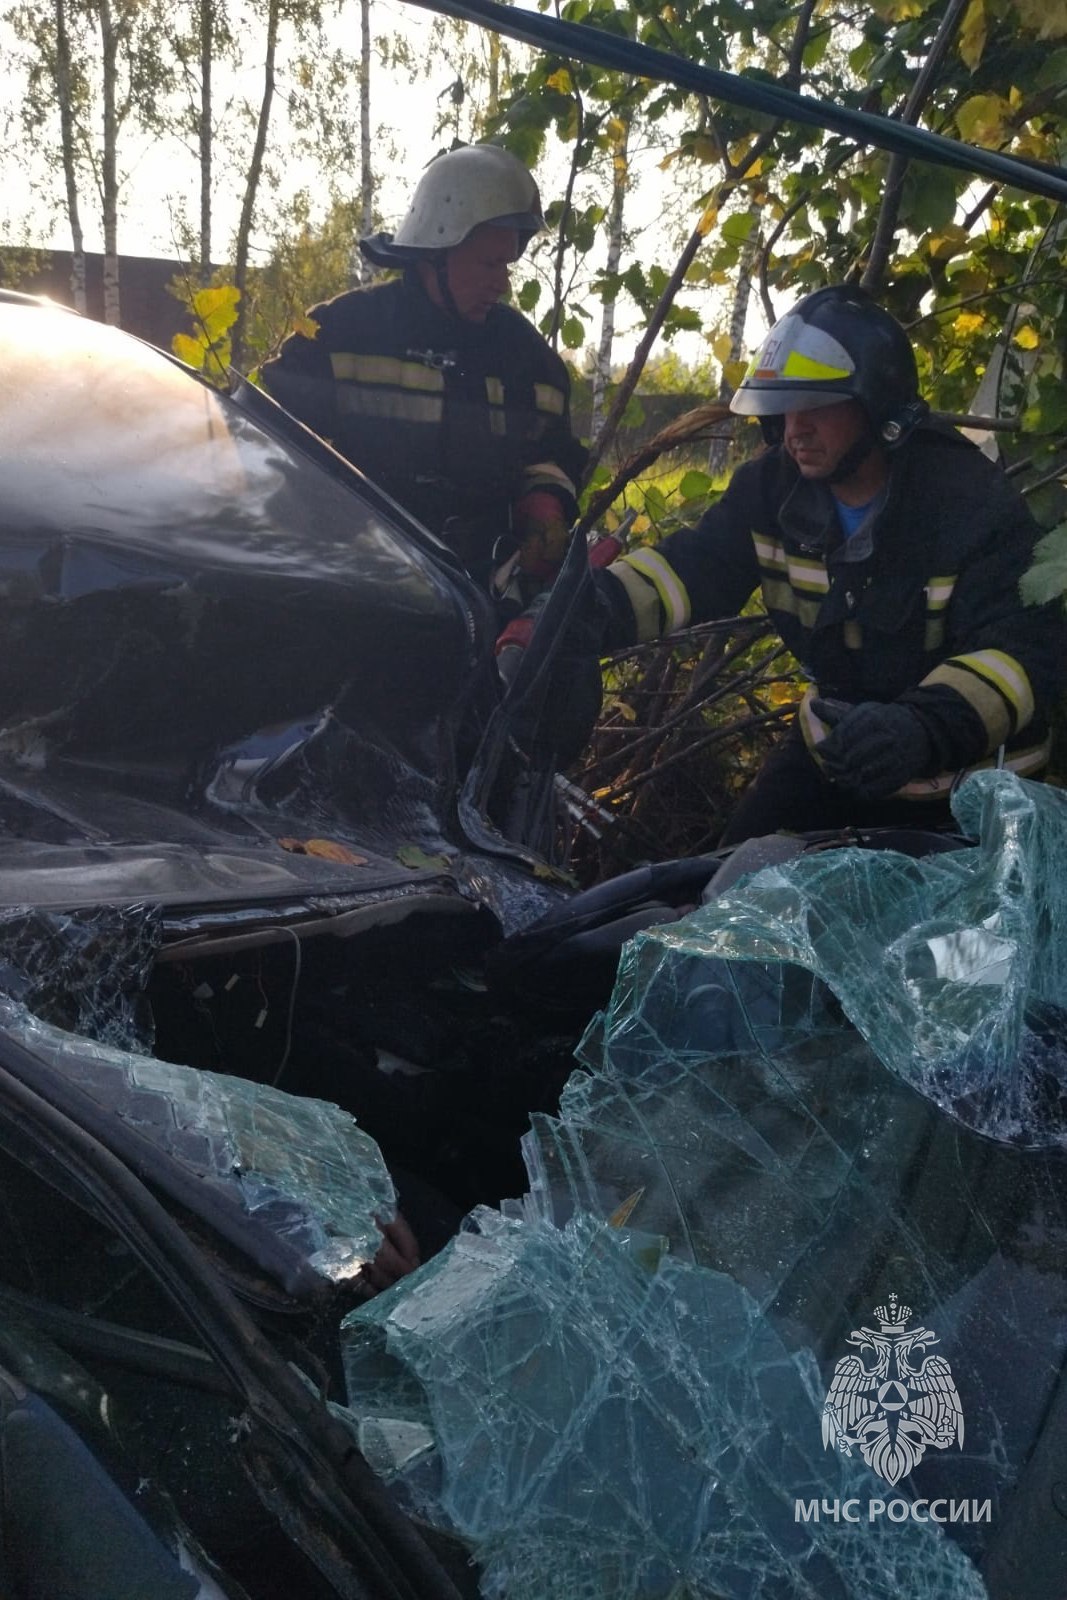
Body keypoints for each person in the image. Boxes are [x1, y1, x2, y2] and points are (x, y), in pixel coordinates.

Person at [591, 285, 1064, 843]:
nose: (795, 431)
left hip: (969, 794)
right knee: (717, 900)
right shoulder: (771, 489)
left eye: (816, 406)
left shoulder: (968, 502)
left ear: (878, 408)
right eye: (786, 408)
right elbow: (692, 569)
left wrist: (923, 727)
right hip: (835, 758)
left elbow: (1023, 652)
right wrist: (589, 609)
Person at [261, 144, 586, 596]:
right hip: (358, 594)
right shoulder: (343, 334)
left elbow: (551, 455)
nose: (503, 282)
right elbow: (264, 448)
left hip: (482, 602)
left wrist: (546, 505)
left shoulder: (528, 361)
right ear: (434, 253)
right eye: (489, 264)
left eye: (507, 265)